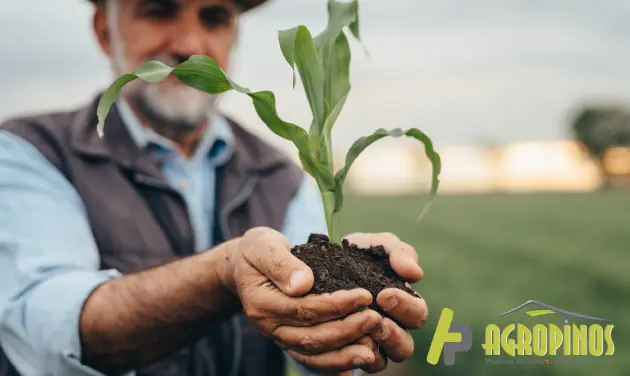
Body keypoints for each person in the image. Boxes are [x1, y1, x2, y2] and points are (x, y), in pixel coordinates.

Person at [0, 0, 429, 375]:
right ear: (103, 30)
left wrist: (365, 319)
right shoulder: (30, 152)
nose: (189, 44)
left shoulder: (282, 177)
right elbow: (43, 332)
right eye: (159, 9)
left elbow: (314, 340)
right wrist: (223, 274)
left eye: (214, 17)